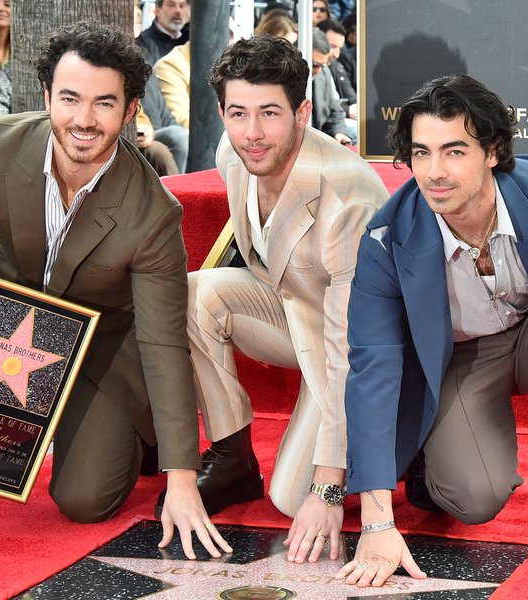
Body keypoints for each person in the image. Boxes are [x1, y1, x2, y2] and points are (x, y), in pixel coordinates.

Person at [0, 19, 232, 561]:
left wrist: (182, 477)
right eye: (69, 98)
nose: (83, 119)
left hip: (99, 351)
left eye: (104, 103)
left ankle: (131, 436)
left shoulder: (154, 213)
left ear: (131, 109)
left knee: (85, 501)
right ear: (46, 95)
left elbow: (163, 344)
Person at [336, 74, 528, 587]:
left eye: (454, 151)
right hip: (458, 360)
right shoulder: (386, 241)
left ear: (493, 151)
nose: (435, 171)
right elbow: (373, 369)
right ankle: (429, 463)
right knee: (473, 499)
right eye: (422, 152)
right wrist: (377, 522)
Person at [163, 33, 389, 566]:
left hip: (362, 351)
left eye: (269, 113)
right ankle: (232, 457)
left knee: (292, 498)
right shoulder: (234, 154)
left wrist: (328, 488)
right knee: (195, 293)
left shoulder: (346, 197)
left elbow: (351, 345)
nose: (253, 133)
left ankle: (399, 443)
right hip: (295, 311)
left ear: (302, 112)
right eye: (238, 114)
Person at [136, 70, 188, 175]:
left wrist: (145, 128)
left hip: (146, 134)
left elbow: (165, 115)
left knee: (181, 136)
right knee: (161, 150)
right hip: (125, 136)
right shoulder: (170, 66)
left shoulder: (147, 70)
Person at [310, 28, 350, 144]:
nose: (319, 70)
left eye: (323, 64)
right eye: (314, 65)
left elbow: (335, 111)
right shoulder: (283, 78)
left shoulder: (324, 73)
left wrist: (339, 132)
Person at [317, 18, 357, 121]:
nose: (337, 54)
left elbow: (348, 92)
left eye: (339, 48)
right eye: (333, 47)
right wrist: (347, 110)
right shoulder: (309, 68)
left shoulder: (334, 64)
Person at [137, 0, 189, 67]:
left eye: (182, 6)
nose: (178, 10)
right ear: (158, 10)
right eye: (171, 5)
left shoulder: (190, 39)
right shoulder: (144, 42)